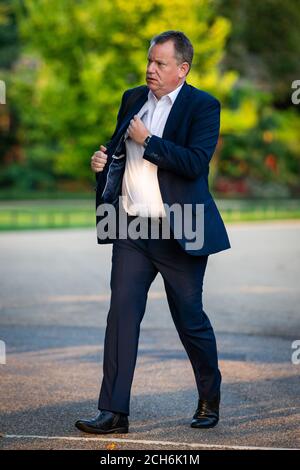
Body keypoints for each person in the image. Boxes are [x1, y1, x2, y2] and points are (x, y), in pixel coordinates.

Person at [75, 30, 230, 435]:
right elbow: (119, 151)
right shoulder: (131, 98)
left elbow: (195, 162)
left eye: (160, 63)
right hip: (130, 227)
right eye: (149, 61)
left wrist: (150, 140)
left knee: (190, 319)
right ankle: (113, 412)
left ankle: (208, 397)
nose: (150, 69)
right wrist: (102, 162)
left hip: (182, 229)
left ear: (182, 68)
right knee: (121, 316)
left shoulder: (203, 106)